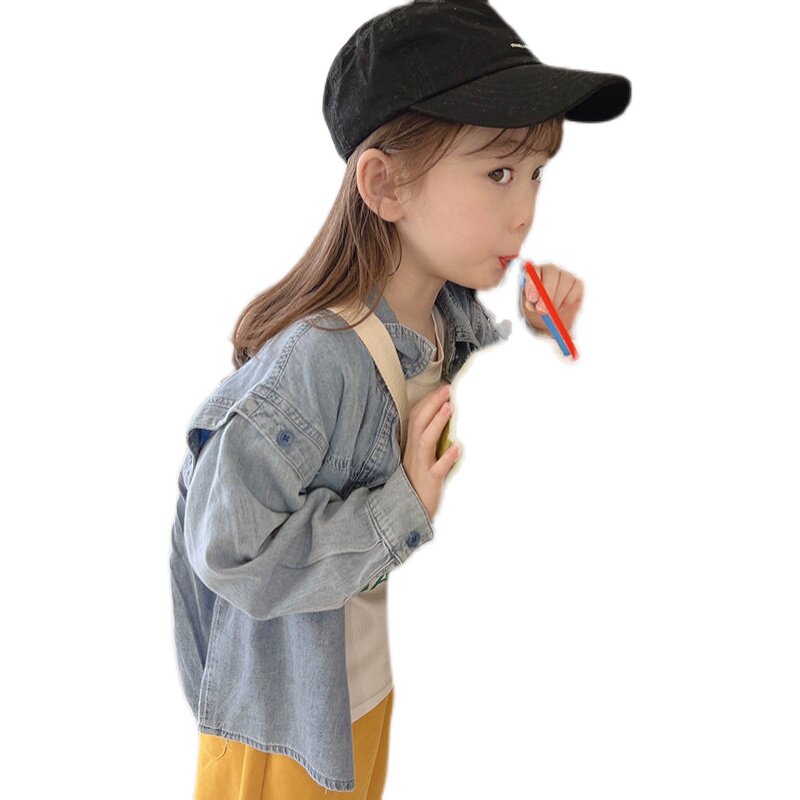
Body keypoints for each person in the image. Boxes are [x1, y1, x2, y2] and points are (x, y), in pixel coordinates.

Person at [169, 1, 632, 797]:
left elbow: (431, 367)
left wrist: (535, 317)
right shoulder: (318, 359)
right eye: (498, 173)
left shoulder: (435, 317)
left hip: (355, 694)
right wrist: (401, 508)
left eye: (535, 174)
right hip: (282, 728)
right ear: (384, 184)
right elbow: (225, 550)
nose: (525, 210)